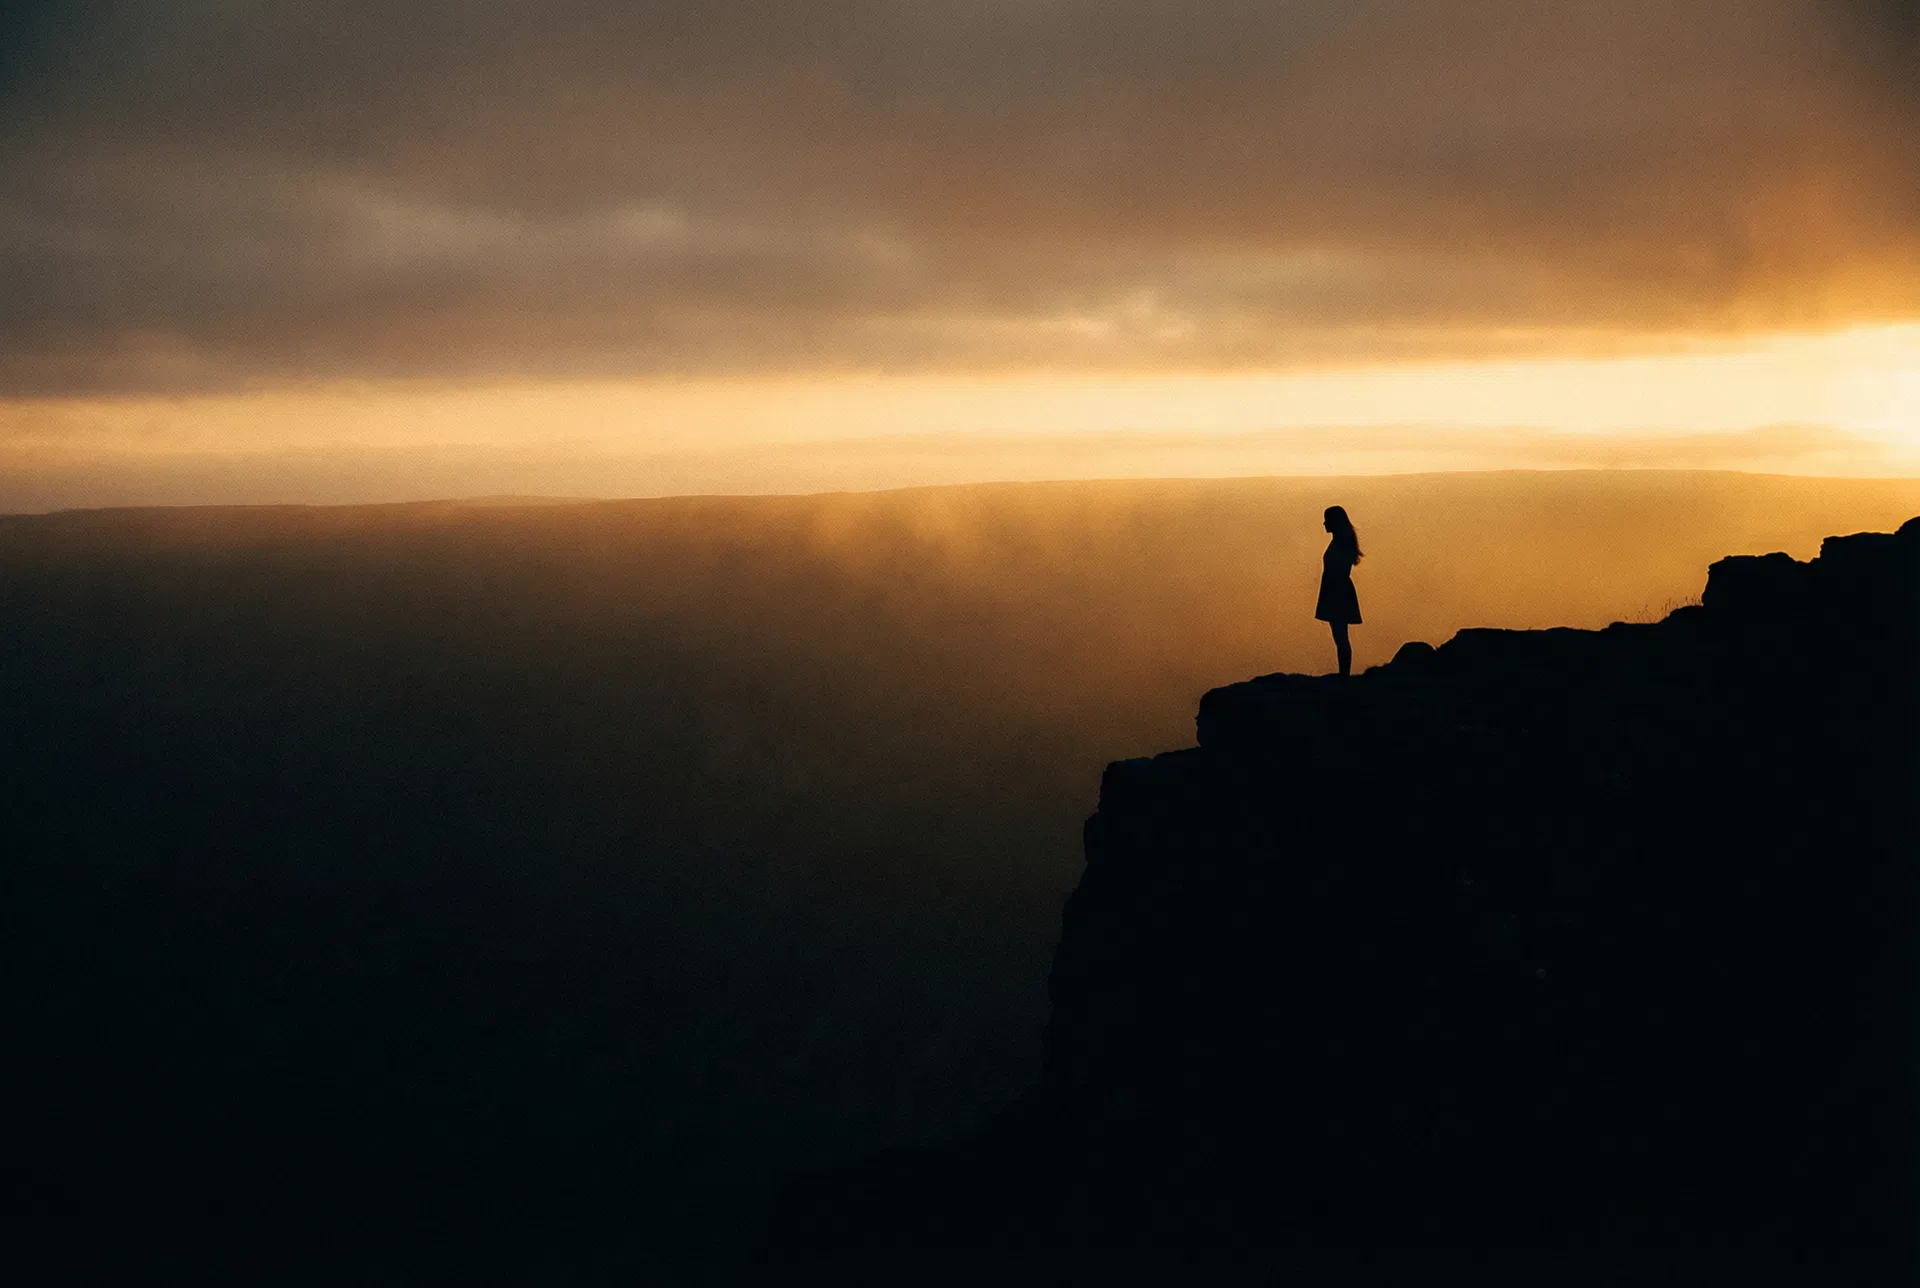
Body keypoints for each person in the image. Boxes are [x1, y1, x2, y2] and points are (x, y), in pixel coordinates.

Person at [1315, 506, 1362, 676]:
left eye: (1327, 520)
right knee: (1340, 635)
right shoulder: (1343, 541)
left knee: (1340, 636)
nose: (1324, 523)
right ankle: (1344, 674)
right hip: (1338, 590)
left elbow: (1339, 569)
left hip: (1337, 591)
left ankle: (1344, 675)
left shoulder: (1340, 543)